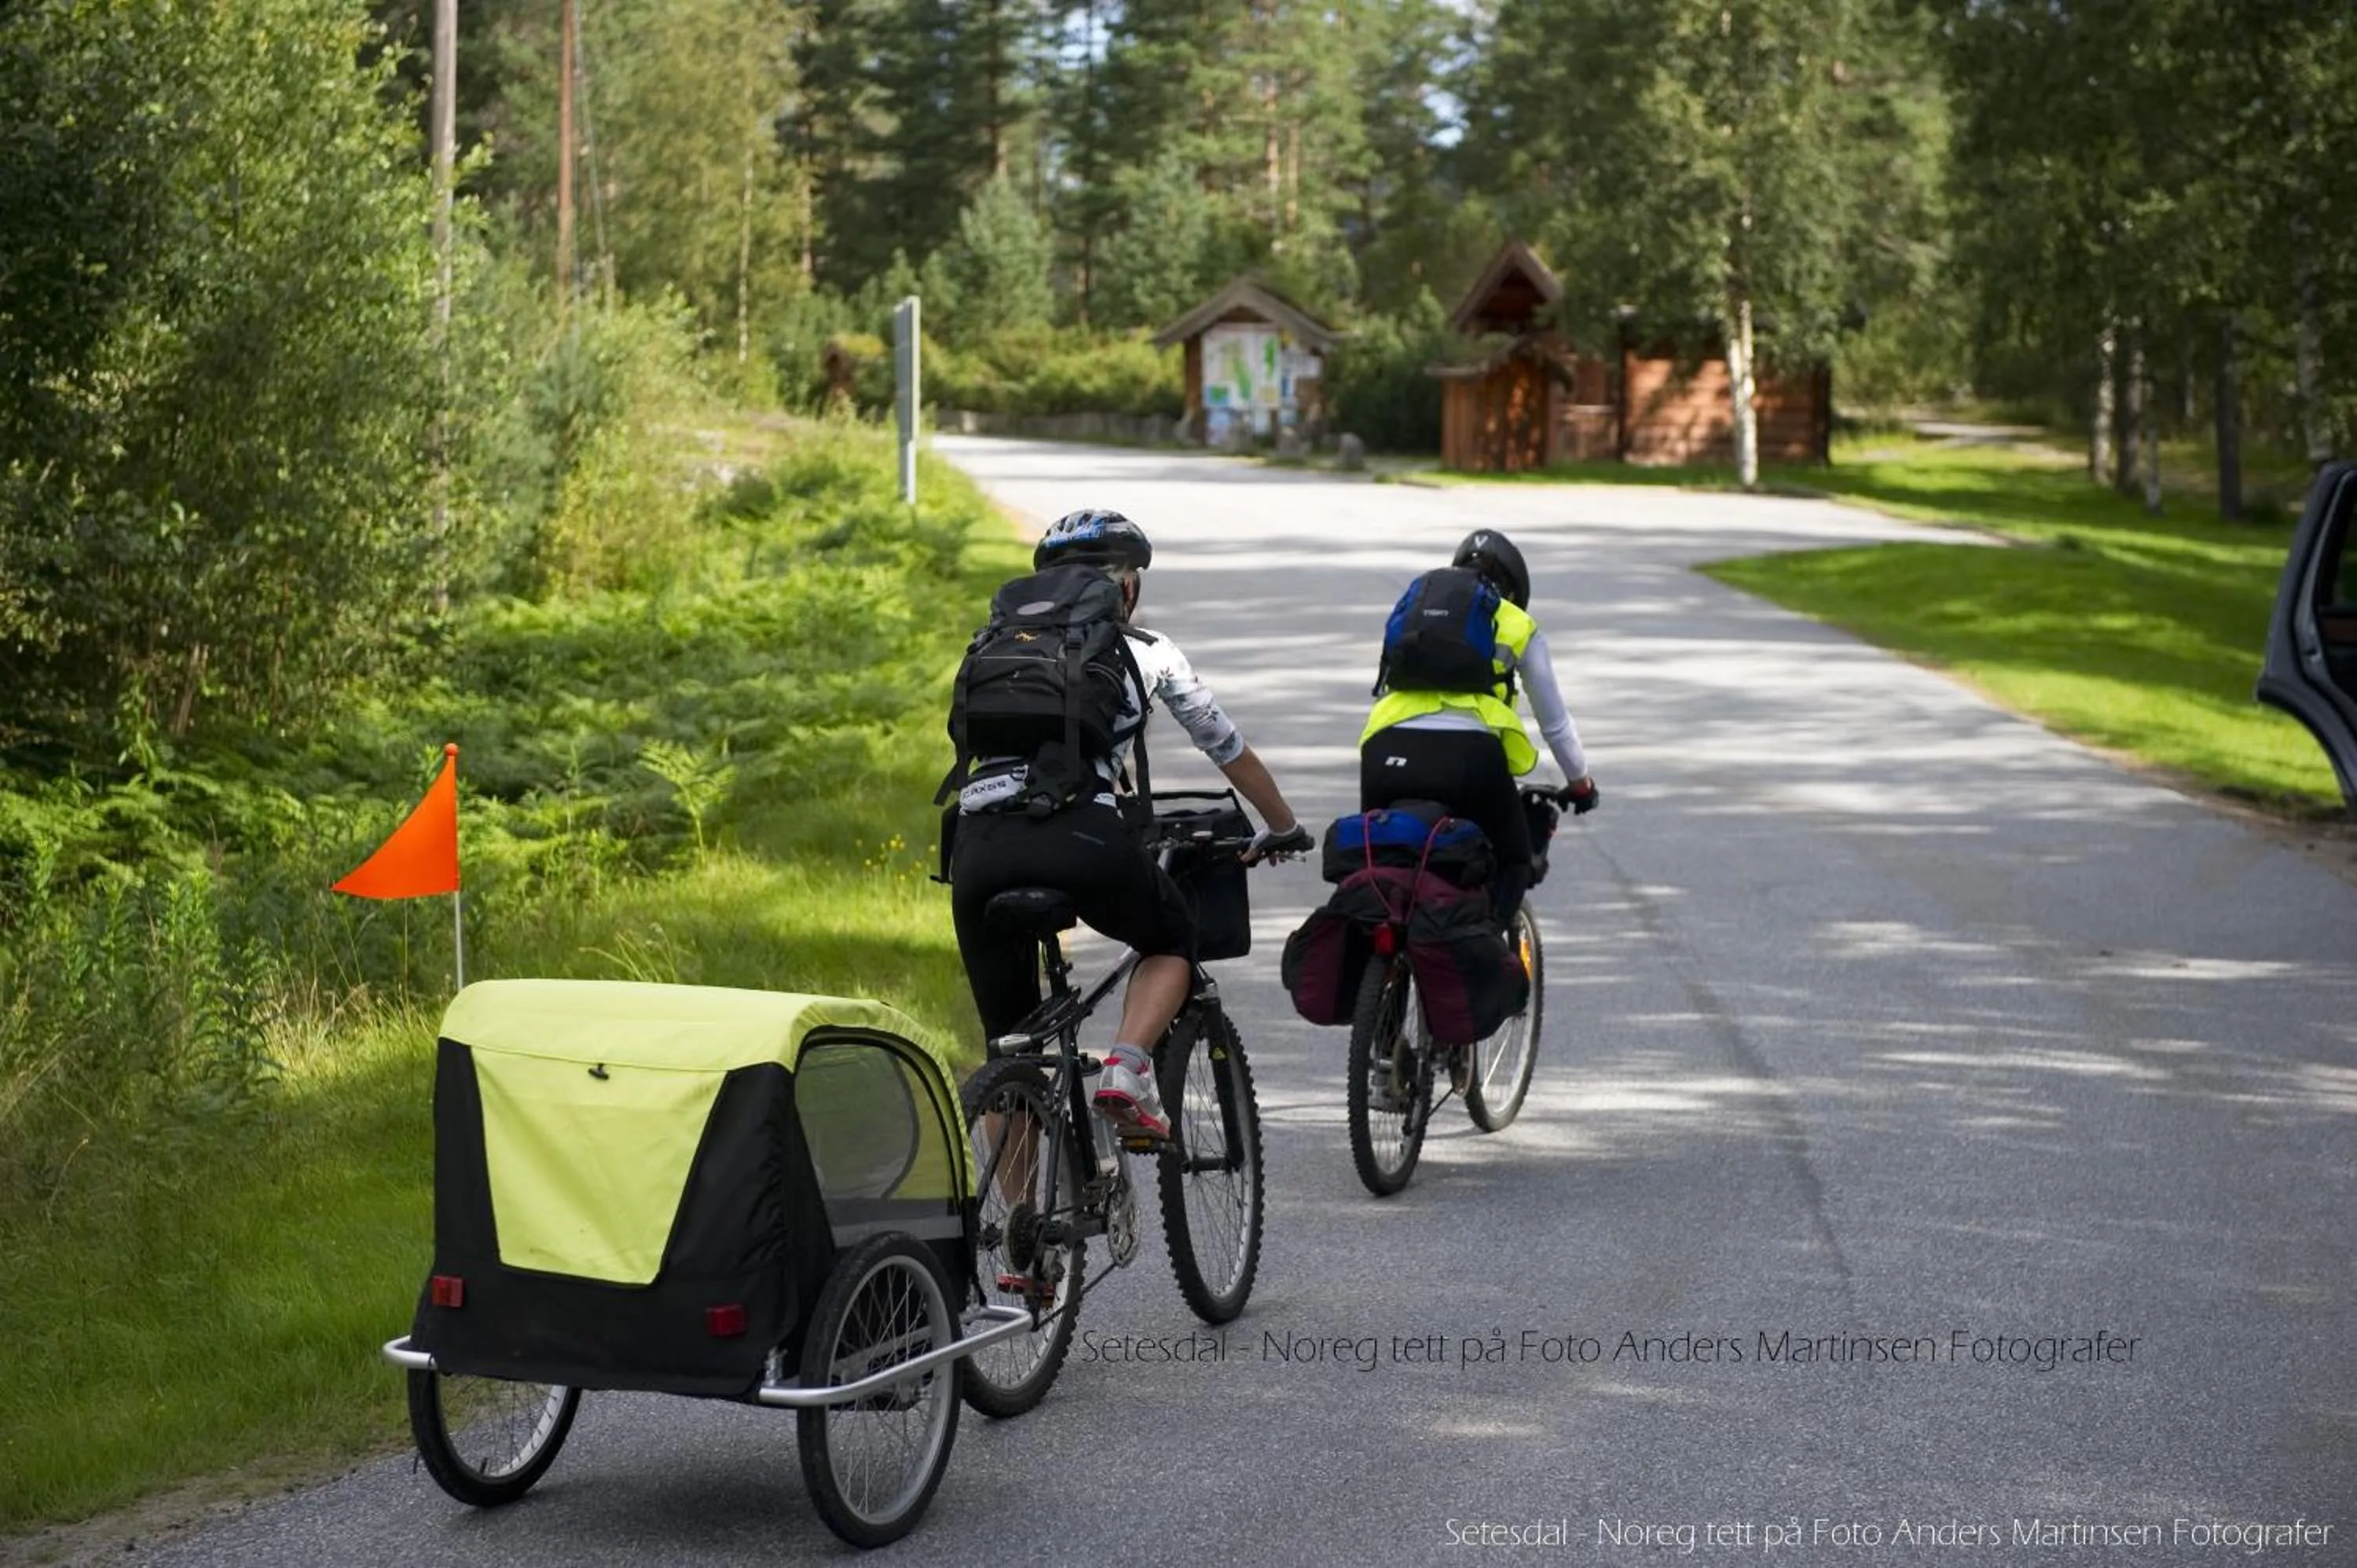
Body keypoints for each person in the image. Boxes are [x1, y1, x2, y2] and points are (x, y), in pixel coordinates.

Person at [948, 508, 1312, 1139]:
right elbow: (1225, 747)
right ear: (1128, 586)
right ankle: (1126, 1069)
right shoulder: (1147, 650)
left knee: (1010, 1053)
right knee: (1173, 938)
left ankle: (1016, 1234)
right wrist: (1281, 825)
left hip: (976, 849)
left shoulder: (995, 645)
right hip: (1081, 838)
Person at [1359, 528, 1599, 936]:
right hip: (1471, 758)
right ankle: (1485, 962)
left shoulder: (1416, 611)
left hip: (1385, 748)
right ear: (1515, 588)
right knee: (1513, 860)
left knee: (1377, 854)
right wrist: (1580, 782)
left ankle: (1377, 958)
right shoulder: (1517, 623)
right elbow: (1554, 723)